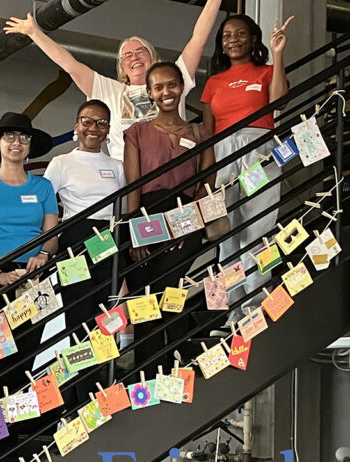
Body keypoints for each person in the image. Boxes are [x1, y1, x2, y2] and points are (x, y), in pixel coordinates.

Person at [4, 0, 222, 161]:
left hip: (170, 170)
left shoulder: (171, 82)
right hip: (124, 177)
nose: (134, 57)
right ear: (122, 66)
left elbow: (198, 39)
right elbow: (69, 64)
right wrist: (34, 33)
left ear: (152, 57)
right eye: (127, 55)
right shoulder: (108, 89)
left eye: (140, 51)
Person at [124, 62, 216, 368]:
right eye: (158, 87)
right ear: (149, 93)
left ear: (182, 88)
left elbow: (207, 181)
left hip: (185, 215)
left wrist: (186, 224)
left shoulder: (200, 133)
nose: (166, 92)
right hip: (146, 216)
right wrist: (135, 232)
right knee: (144, 296)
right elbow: (133, 186)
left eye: (172, 85)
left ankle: (174, 357)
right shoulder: (136, 132)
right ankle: (148, 372)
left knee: (166, 286)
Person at [202, 14, 291, 322]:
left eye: (240, 34)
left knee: (258, 227)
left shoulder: (265, 72)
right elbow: (207, 132)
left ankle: (254, 306)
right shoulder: (214, 82)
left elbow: (278, 101)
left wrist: (278, 55)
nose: (233, 39)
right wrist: (206, 176)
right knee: (227, 235)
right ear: (221, 44)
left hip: (259, 151)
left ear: (254, 39)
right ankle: (229, 310)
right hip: (222, 153)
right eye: (226, 35)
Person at [0, 112, 58, 401]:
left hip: (35, 278)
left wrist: (43, 255)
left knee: (28, 357)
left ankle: (20, 437)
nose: (16, 142)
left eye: (24, 137)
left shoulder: (43, 187)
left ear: (30, 146)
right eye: (9, 136)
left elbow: (52, 235)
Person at [43, 100, 124, 399]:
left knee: (104, 315)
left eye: (101, 122)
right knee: (77, 317)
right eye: (87, 121)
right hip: (74, 241)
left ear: (108, 131)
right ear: (76, 126)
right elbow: (47, 206)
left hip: (107, 238)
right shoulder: (62, 163)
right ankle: (81, 393)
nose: (94, 128)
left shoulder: (117, 166)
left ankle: (100, 385)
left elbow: (124, 208)